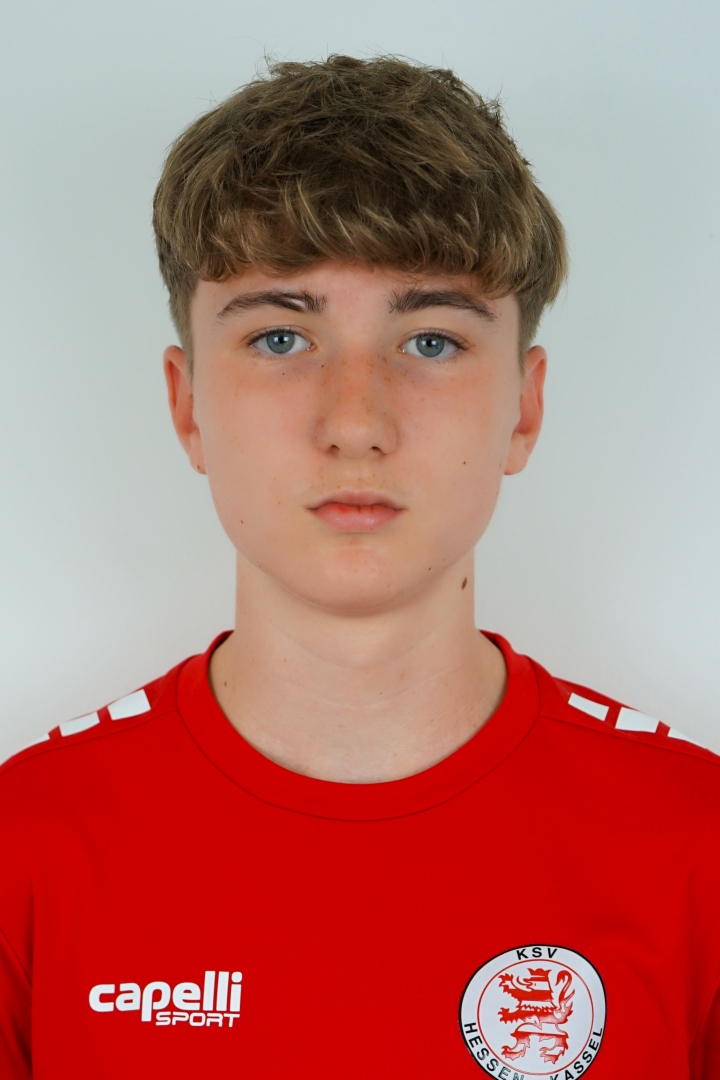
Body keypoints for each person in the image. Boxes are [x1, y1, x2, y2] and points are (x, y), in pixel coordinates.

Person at [0, 54, 717, 1080]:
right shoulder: (28, 847)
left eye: (429, 342)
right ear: (187, 406)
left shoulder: (695, 845)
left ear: (523, 408)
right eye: (279, 337)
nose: (354, 422)